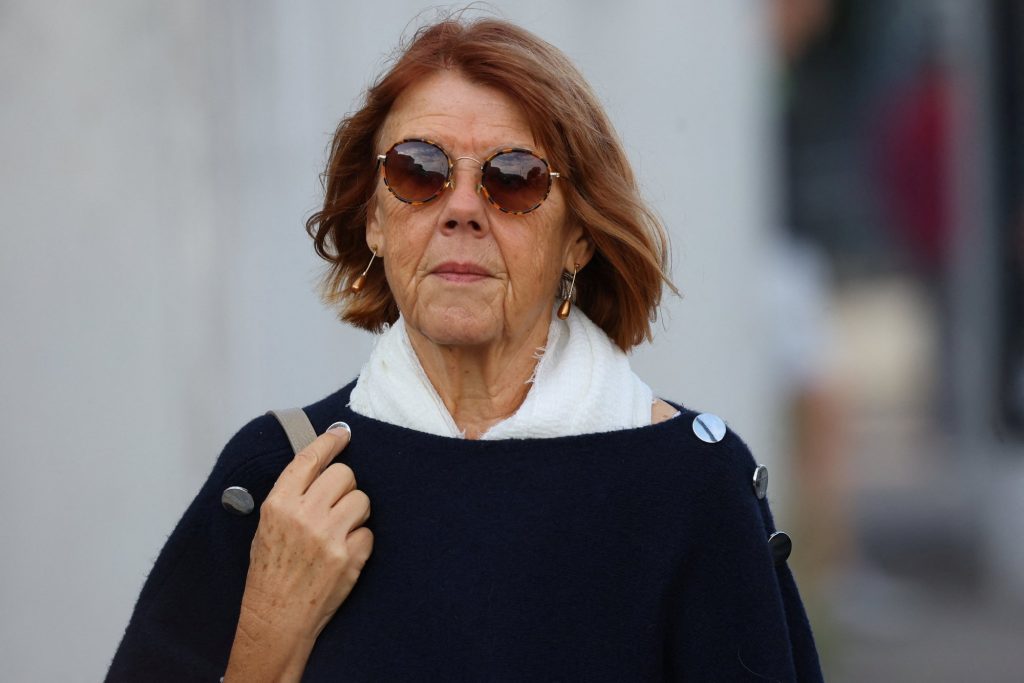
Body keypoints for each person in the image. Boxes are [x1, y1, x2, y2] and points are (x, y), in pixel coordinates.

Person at [107, 16, 823, 682]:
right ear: (374, 218)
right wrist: (267, 639)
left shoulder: (693, 485)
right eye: (418, 171)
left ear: (577, 236)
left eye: (514, 179)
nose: (461, 209)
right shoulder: (279, 477)